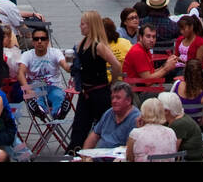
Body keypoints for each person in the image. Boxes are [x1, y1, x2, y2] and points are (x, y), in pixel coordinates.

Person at [69, 11, 120, 151]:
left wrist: (113, 83)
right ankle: (75, 151)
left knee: (105, 126)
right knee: (79, 127)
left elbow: (116, 65)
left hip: (99, 92)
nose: (80, 26)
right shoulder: (82, 43)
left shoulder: (99, 46)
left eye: (83, 24)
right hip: (85, 92)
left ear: (91, 26)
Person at [18, 27, 70, 120]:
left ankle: (59, 112)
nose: (39, 41)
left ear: (47, 41)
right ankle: (39, 110)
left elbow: (65, 66)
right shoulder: (27, 55)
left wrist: (70, 67)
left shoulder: (55, 53)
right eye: (36, 39)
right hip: (35, 87)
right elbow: (20, 73)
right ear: (32, 41)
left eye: (43, 39)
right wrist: (27, 89)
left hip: (54, 86)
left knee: (58, 96)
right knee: (34, 96)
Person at [82, 80, 139, 151]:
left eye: (118, 98)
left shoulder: (136, 118)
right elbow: (94, 135)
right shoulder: (109, 113)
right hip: (99, 156)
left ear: (128, 100)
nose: (114, 101)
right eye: (112, 98)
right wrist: (84, 154)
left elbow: (132, 148)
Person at [122, 21, 176, 94]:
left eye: (154, 37)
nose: (151, 40)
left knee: (174, 87)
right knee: (174, 91)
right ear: (140, 37)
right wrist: (166, 68)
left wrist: (166, 64)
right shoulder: (138, 52)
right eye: (148, 36)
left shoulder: (145, 49)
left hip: (140, 89)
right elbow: (148, 81)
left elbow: (151, 73)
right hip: (136, 93)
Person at [125, 96, 179, 162]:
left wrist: (139, 128)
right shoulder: (171, 132)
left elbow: (129, 158)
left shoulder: (135, 134)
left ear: (143, 114)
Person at [157, 90, 203, 162]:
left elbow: (171, 152)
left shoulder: (178, 124)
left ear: (166, 111)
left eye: (158, 108)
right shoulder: (177, 116)